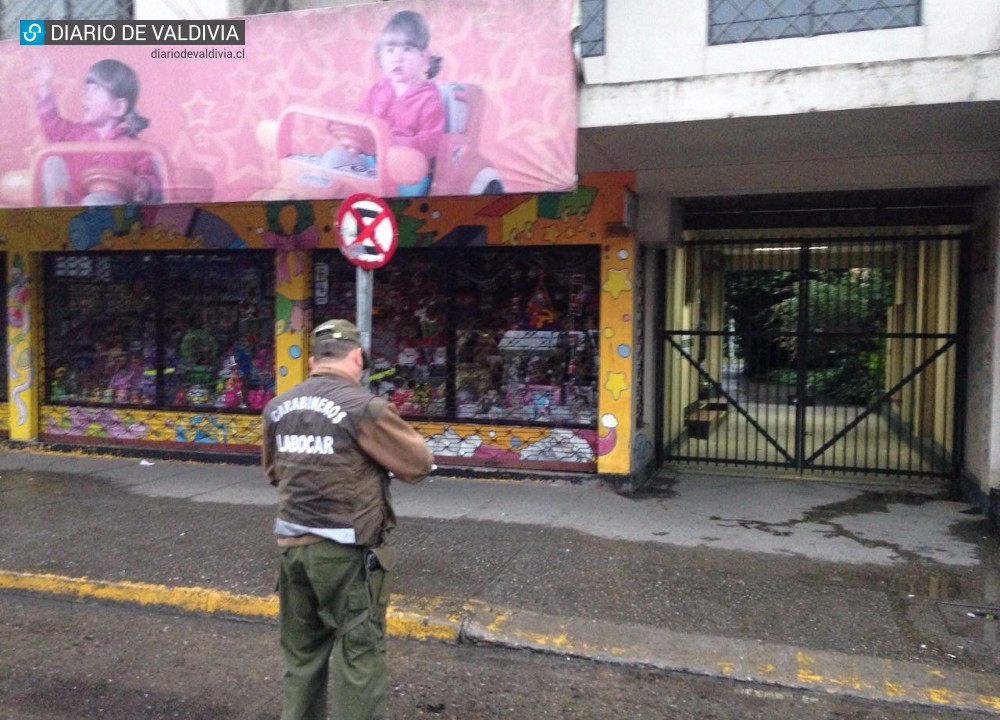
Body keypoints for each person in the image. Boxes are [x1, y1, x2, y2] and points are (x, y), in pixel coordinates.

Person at [262, 318, 434, 720]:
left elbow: (274, 473)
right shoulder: (364, 408)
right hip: (345, 554)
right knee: (360, 658)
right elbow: (418, 464)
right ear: (356, 357)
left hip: (292, 551)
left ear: (311, 361)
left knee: (302, 659)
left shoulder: (276, 408)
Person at [326, 10, 445, 197]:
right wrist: (346, 131)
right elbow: (360, 120)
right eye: (390, 50)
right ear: (380, 56)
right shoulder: (377, 90)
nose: (397, 57)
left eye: (407, 49)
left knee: (395, 192)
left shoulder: (429, 97)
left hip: (406, 171)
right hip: (371, 162)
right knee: (333, 159)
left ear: (424, 57)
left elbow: (431, 143)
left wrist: (390, 143)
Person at [32, 55, 161, 205]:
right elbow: (52, 124)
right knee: (52, 161)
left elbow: (151, 178)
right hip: (74, 211)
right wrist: (44, 85)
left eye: (96, 90)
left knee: (97, 200)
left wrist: (144, 185)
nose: (86, 96)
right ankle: (56, 214)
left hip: (115, 216)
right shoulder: (75, 134)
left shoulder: (133, 147)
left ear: (118, 107)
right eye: (87, 90)